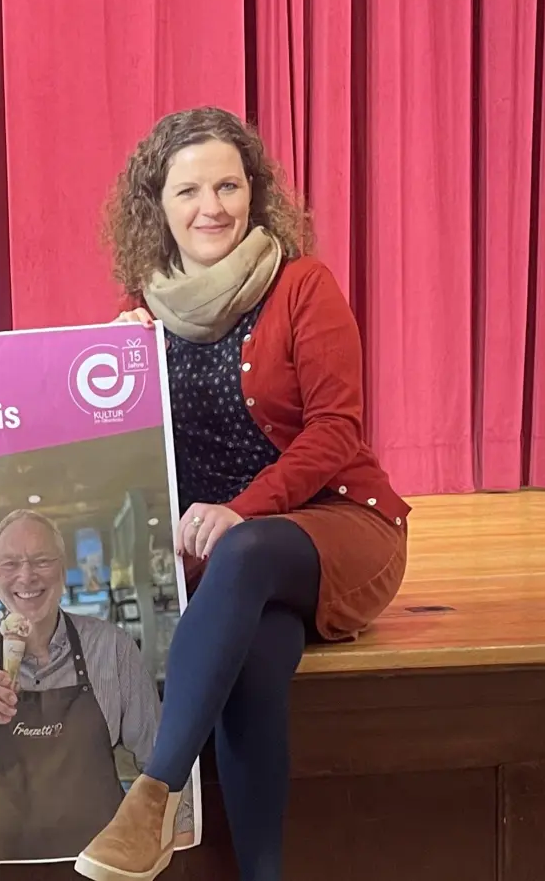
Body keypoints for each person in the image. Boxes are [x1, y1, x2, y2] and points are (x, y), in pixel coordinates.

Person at [73, 107, 410, 881]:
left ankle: (150, 800)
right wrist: (123, 377)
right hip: (232, 573)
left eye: (228, 186)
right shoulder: (139, 315)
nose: (212, 207)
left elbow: (337, 431)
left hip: (332, 525)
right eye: (189, 191)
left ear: (255, 195)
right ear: (157, 205)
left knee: (249, 547)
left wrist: (241, 509)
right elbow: (125, 460)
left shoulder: (301, 286)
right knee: (255, 662)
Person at [0, 509, 192, 863]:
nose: (26, 576)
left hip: (100, 861)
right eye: (10, 563)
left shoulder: (111, 647)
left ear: (63, 570)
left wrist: (185, 834)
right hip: (4, 862)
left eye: (41, 560)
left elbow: (158, 760)